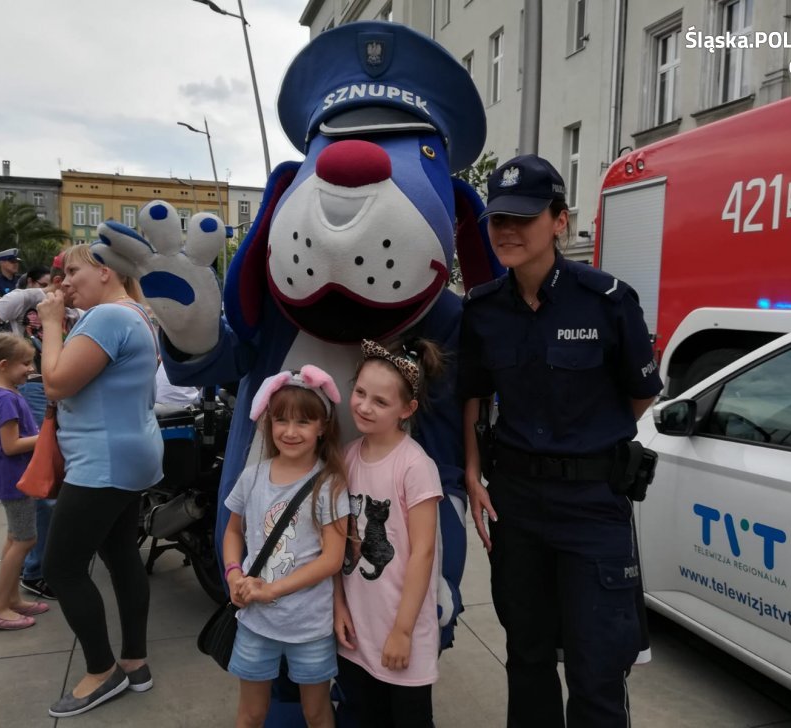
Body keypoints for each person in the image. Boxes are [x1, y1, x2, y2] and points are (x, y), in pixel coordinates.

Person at [457, 154, 664, 728]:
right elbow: (472, 394)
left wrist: (586, 439)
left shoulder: (607, 301)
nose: (508, 230)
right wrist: (472, 471)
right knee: (526, 658)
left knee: (597, 671)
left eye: (524, 218)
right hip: (517, 505)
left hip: (592, 507)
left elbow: (640, 394)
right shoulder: (483, 310)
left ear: (559, 221)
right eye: (499, 218)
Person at [37, 244, 162, 718]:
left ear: (106, 271)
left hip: (103, 462)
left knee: (61, 568)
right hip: (129, 455)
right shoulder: (138, 314)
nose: (65, 282)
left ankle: (102, 670)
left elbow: (55, 383)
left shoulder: (108, 317)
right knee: (120, 554)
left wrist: (52, 324)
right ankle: (135, 661)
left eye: (74, 271)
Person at [222, 365, 349, 728]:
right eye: (281, 420)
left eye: (303, 422)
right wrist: (233, 574)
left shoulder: (329, 484)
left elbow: (332, 558)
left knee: (316, 712)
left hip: (309, 624)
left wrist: (272, 590)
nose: (290, 432)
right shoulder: (252, 477)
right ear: (269, 422)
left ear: (322, 426)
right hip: (255, 621)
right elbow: (233, 532)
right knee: (250, 714)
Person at [334, 338, 445, 728]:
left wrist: (402, 631)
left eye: (380, 402)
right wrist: (338, 607)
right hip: (356, 634)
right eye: (361, 393)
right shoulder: (347, 457)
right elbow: (338, 544)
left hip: (402, 632)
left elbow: (423, 553)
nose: (365, 406)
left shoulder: (415, 466)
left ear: (406, 409)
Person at [0, 253, 81, 601]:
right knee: (40, 485)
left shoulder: (78, 310)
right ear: (59, 281)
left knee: (47, 485)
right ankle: (35, 570)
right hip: (32, 388)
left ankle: (29, 571)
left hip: (54, 388)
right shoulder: (28, 298)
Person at [0, 334, 46, 630]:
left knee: (14, 537)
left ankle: (11, 598)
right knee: (25, 540)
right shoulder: (6, 398)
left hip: (15, 477)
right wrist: (47, 437)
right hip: (16, 478)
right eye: (25, 363)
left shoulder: (5, 394)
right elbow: (10, 446)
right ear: (4, 365)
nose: (30, 369)